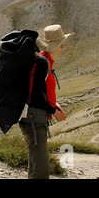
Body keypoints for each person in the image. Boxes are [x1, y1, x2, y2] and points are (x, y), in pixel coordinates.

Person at [19, 24, 74, 179]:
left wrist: (54, 105)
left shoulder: (44, 62)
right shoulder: (43, 63)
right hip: (34, 121)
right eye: (61, 43)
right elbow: (34, 97)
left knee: (36, 166)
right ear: (57, 45)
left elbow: (39, 92)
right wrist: (54, 111)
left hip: (33, 120)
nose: (63, 46)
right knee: (41, 171)